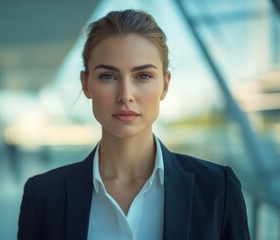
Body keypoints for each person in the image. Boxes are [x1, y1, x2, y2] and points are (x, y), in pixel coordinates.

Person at [17, 9, 250, 240]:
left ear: (165, 85)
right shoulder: (42, 196)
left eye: (143, 76)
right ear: (86, 84)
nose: (125, 95)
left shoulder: (218, 189)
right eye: (108, 76)